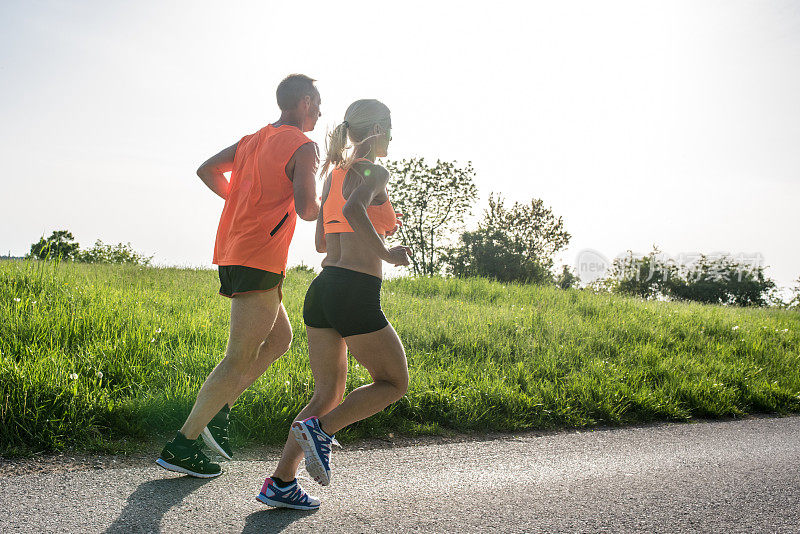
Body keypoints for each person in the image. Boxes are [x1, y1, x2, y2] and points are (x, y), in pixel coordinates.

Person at [156, 74, 322, 478]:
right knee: (237, 358)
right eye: (318, 103)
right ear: (303, 101)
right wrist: (333, 188)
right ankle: (184, 443)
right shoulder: (304, 146)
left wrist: (242, 200)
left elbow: (207, 170)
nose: (320, 111)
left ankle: (219, 410)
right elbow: (307, 209)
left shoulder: (253, 139)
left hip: (236, 251)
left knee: (279, 339)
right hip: (258, 258)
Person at [256, 99, 410, 510]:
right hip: (354, 290)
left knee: (327, 391)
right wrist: (387, 252)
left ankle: (281, 482)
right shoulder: (374, 171)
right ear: (376, 130)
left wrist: (357, 234)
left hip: (323, 288)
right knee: (394, 382)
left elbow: (323, 241)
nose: (393, 138)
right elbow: (357, 208)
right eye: (391, 130)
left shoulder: (333, 174)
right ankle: (322, 432)